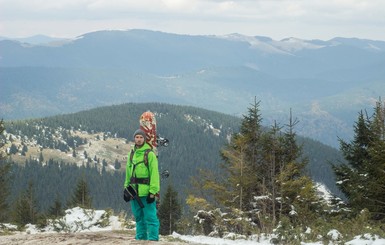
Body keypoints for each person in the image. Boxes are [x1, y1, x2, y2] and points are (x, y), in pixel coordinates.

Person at [124, 129, 160, 241]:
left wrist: (153, 192)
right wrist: (126, 188)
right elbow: (128, 172)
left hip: (147, 191)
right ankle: (140, 239)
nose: (139, 139)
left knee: (150, 217)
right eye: (137, 137)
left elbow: (155, 173)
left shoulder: (149, 154)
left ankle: (153, 239)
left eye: (141, 137)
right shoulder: (131, 153)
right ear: (134, 138)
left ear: (144, 139)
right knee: (139, 217)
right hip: (134, 192)